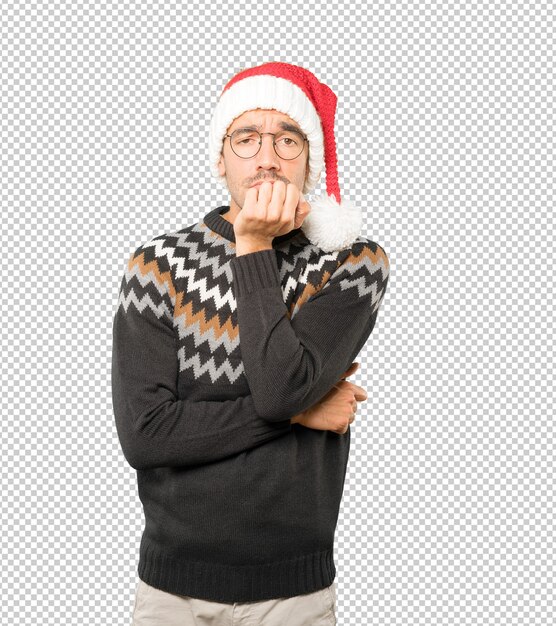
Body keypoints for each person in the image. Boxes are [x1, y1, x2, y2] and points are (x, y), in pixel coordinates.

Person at [111, 61, 390, 626]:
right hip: (171, 592)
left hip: (294, 594)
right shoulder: (157, 267)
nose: (267, 156)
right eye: (247, 138)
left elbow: (279, 389)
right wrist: (302, 415)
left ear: (309, 161)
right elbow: (145, 436)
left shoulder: (353, 262)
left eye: (288, 139)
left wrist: (253, 246)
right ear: (219, 158)